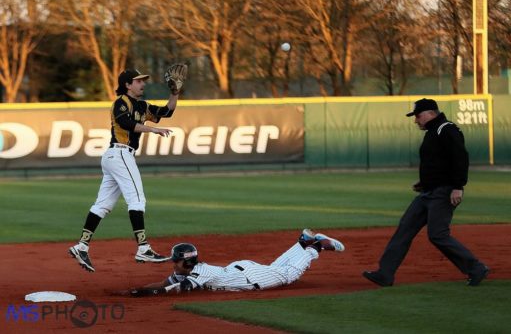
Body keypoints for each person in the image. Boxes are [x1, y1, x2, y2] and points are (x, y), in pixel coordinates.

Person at [363, 98, 489, 287]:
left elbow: (460, 158)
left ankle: (475, 268)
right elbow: (438, 163)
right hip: (428, 192)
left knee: (437, 234)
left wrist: (458, 186)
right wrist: (424, 182)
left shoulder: (446, 129)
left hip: (444, 192)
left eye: (418, 116)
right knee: (405, 228)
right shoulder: (432, 132)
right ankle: (385, 274)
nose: (416, 120)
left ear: (431, 113)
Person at [69, 68, 181, 272]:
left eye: (143, 81)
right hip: (120, 154)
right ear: (128, 84)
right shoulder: (121, 102)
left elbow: (167, 112)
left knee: (102, 205)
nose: (143, 84)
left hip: (117, 157)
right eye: (138, 81)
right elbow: (126, 123)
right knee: (137, 199)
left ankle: (81, 246)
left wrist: (175, 94)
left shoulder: (142, 105)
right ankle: (143, 248)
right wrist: (152, 129)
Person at [125, 229, 345, 296]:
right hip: (239, 269)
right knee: (276, 268)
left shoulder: (200, 272)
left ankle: (316, 246)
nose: (173, 264)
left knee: (288, 275)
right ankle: (302, 243)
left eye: (175, 261)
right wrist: (139, 290)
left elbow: (180, 288)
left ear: (184, 262)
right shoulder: (191, 269)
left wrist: (149, 295)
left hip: (249, 278)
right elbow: (165, 283)